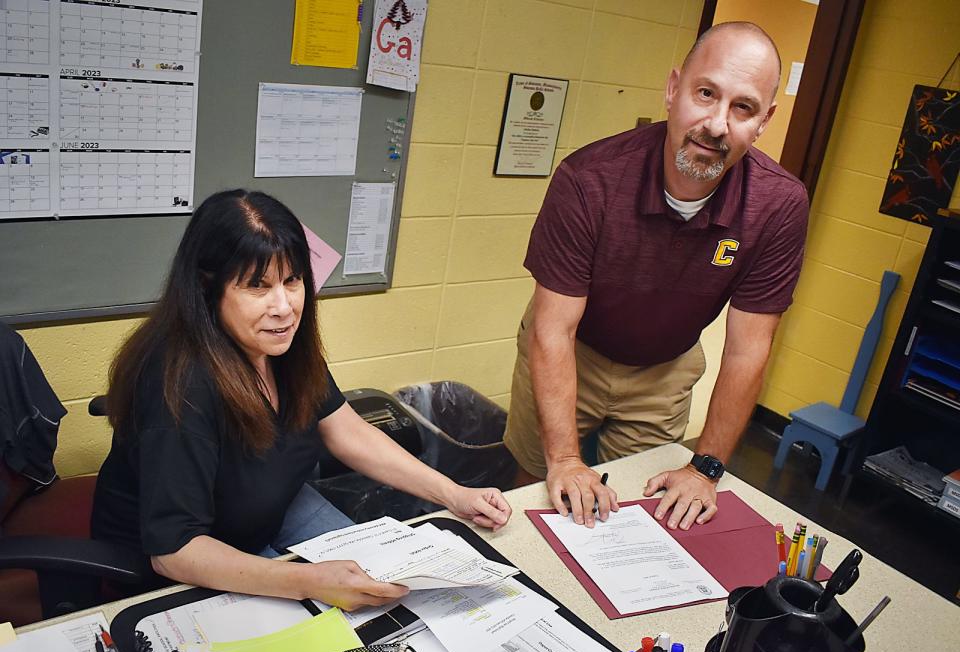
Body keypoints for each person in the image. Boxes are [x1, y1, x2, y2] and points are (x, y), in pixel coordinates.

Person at [92, 189, 512, 611]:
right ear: (207, 287)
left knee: (389, 597)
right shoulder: (180, 384)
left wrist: (454, 494)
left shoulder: (282, 344)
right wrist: (307, 580)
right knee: (338, 626)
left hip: (272, 505)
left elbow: (345, 429)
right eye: (258, 286)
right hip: (199, 553)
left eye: (292, 281)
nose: (284, 307)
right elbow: (174, 550)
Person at [504, 22, 809, 532]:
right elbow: (552, 330)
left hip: (665, 369)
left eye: (743, 107)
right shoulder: (589, 179)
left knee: (638, 514)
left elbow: (748, 349)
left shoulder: (778, 205)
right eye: (705, 93)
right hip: (571, 347)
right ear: (673, 91)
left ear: (764, 122)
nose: (716, 124)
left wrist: (706, 467)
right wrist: (563, 461)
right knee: (536, 494)